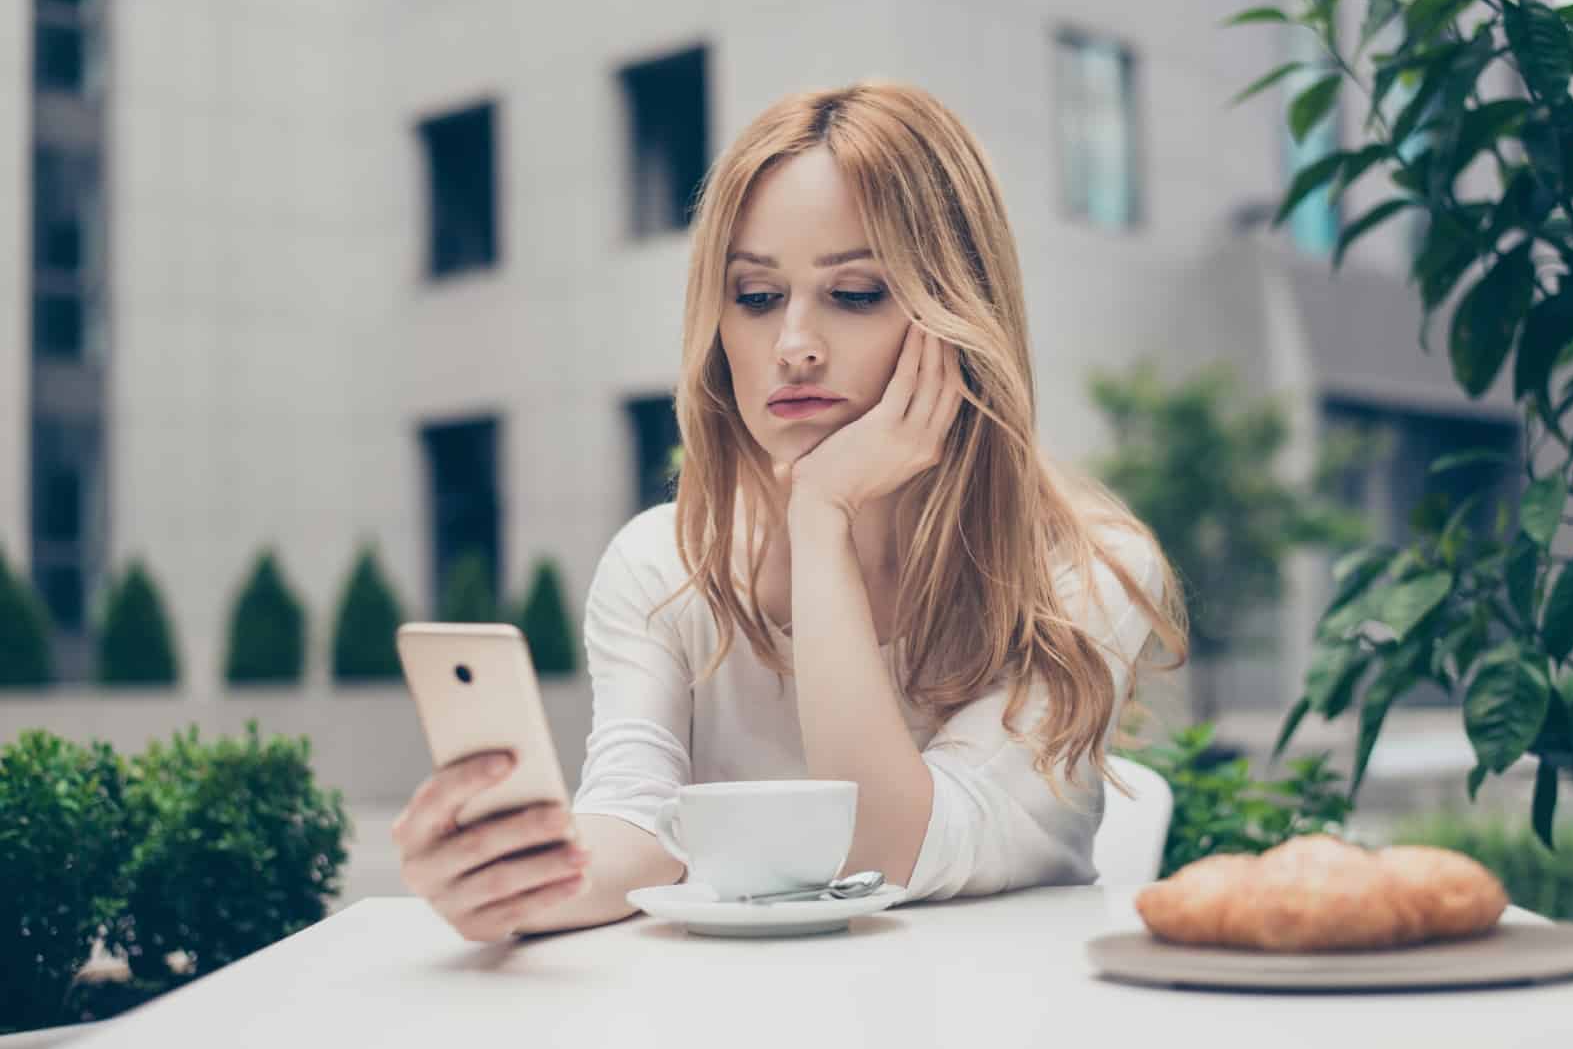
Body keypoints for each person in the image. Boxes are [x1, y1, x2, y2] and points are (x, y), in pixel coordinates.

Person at [391, 80, 1189, 943]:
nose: (794, 346)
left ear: (958, 313)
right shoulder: (664, 566)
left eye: (855, 294)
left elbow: (874, 856)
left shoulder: (1084, 571)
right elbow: (637, 820)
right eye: (759, 298)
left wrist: (823, 515)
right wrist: (515, 880)